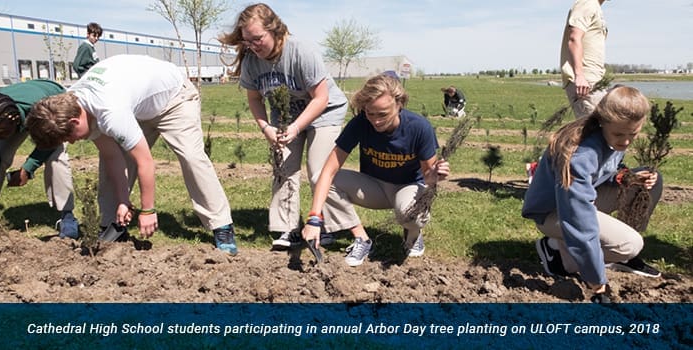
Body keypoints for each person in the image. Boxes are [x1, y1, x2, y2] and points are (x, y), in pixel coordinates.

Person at [26, 54, 238, 254]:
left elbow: (145, 161)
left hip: (174, 98)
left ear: (75, 121)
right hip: (137, 106)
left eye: (68, 137)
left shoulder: (110, 112)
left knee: (192, 157)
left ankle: (221, 226)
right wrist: (122, 200)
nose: (71, 141)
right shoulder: (78, 103)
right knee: (108, 170)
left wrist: (147, 211)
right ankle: (111, 225)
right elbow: (113, 158)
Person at [217, 3, 348, 250]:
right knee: (283, 166)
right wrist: (266, 127)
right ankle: (287, 229)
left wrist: (297, 127)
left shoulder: (301, 51)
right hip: (285, 118)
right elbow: (255, 99)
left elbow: (321, 98)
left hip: (324, 112)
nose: (253, 46)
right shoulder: (251, 62)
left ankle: (328, 225)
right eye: (247, 41)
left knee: (318, 169)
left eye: (258, 39)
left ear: (275, 30)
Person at [522, 86, 662, 301]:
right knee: (630, 245)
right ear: (603, 121)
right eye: (619, 134)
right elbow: (578, 217)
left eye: (632, 134)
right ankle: (557, 253)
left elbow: (607, 169)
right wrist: (597, 282)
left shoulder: (608, 134)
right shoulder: (581, 153)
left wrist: (631, 177)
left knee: (651, 181)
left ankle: (578, 253)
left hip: (581, 199)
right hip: (554, 212)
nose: (625, 141)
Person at [301, 74, 450, 267]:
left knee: (409, 214)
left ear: (399, 104)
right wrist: (314, 218)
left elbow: (428, 179)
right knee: (318, 177)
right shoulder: (361, 123)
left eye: (383, 114)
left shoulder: (419, 128)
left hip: (409, 187)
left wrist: (436, 176)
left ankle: (412, 235)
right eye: (371, 113)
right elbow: (329, 170)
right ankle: (362, 239)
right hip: (375, 187)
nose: (376, 121)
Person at [0, 80, 78, 238]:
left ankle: (67, 216)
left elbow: (50, 142)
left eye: (2, 133)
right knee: (1, 156)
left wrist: (28, 168)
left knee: (56, 158)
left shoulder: (39, 109)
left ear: (16, 124)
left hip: (51, 106)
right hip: (6, 116)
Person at [560, 0, 609, 119]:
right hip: (585, 81)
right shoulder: (586, 3)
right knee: (593, 129)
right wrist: (580, 76)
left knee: (600, 128)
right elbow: (574, 38)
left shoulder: (595, 7)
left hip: (594, 79)